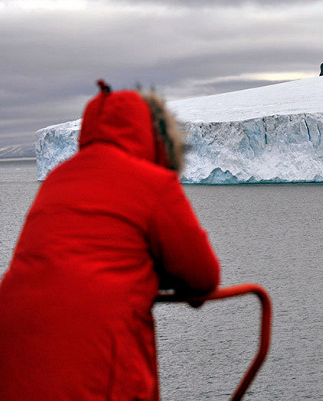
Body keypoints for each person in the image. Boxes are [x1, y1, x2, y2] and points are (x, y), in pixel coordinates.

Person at [0, 80, 220, 400]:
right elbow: (203, 277)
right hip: (94, 372)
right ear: (152, 133)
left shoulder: (56, 180)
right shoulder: (152, 182)